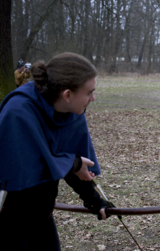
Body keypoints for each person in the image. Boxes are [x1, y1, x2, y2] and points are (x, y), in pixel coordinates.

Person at [0, 53, 113, 251]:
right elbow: (31, 168)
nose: (93, 98)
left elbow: (72, 161)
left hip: (40, 213)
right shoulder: (18, 111)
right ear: (67, 95)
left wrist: (94, 200)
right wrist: (72, 163)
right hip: (9, 217)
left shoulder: (72, 112)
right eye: (89, 92)